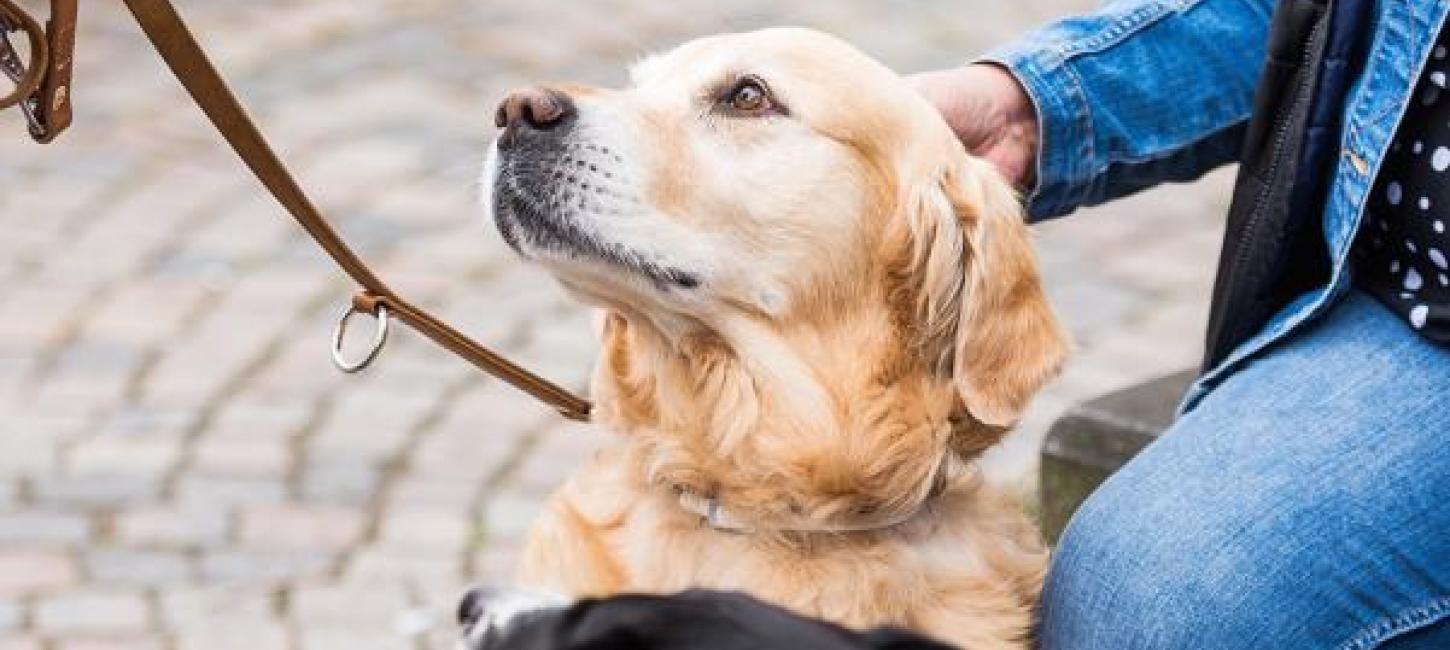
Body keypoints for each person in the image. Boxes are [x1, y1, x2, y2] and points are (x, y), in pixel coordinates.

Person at [909, 0, 1450, 647]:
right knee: (1125, 582)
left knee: (1160, 604)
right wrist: (1027, 109)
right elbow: (1316, 21)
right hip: (1394, 287)